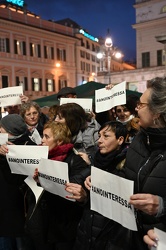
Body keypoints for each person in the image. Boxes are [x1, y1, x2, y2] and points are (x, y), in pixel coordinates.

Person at [24, 122, 90, 250]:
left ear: (59, 141)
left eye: (47, 137)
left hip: (64, 227)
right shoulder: (40, 158)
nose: (42, 140)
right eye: (42, 136)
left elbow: (75, 194)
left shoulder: (75, 161)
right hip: (43, 225)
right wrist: (38, 181)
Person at [65, 121, 128, 250]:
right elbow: (74, 180)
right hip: (87, 230)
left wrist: (90, 194)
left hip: (111, 236)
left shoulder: (127, 166)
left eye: (106, 136)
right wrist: (83, 196)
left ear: (120, 140)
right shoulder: (96, 160)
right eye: (99, 136)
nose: (99, 141)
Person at [122, 77, 166, 249]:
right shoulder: (140, 138)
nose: (136, 108)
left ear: (156, 113)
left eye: (141, 105)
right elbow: (128, 174)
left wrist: (163, 207)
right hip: (132, 236)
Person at [0, 114, 35, 250]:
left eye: (2, 128)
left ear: (10, 131)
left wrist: (5, 158)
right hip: (3, 208)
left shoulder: (29, 147)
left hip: (19, 206)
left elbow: (16, 179)